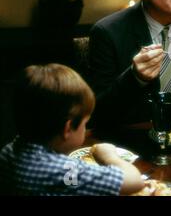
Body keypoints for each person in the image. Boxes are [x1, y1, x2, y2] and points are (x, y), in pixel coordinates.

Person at [0, 64, 144, 195]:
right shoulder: (65, 171)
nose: (85, 129)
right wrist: (109, 156)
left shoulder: (7, 152)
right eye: (84, 124)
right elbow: (134, 181)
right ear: (67, 129)